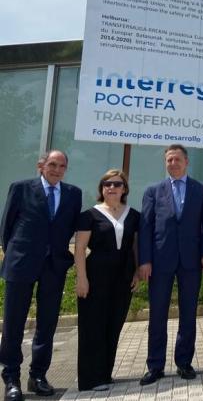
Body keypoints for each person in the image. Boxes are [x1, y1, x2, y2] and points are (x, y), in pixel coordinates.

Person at [0, 150, 82, 401]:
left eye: (62, 166)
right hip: (22, 263)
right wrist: (15, 253)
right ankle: (11, 378)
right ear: (41, 165)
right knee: (14, 323)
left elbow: (68, 227)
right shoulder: (21, 188)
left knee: (47, 324)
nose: (57, 170)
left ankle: (38, 376)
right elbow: (7, 227)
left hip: (53, 267)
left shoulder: (73, 194)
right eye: (52, 164)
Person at [138, 144, 203, 385]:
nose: (173, 163)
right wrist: (145, 260)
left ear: (186, 161)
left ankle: (184, 362)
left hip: (191, 261)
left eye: (177, 159)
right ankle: (155, 365)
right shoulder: (153, 191)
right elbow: (145, 228)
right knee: (158, 314)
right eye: (169, 160)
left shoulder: (200, 190)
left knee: (188, 313)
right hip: (160, 261)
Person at [74, 169, 140, 391]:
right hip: (96, 275)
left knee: (114, 325)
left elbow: (134, 246)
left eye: (117, 184)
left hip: (123, 275)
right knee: (93, 325)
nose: (112, 187)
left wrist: (136, 272)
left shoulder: (133, 215)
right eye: (107, 184)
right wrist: (81, 278)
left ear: (124, 189)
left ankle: (105, 373)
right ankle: (90, 379)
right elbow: (80, 249)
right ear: (102, 189)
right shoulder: (89, 215)